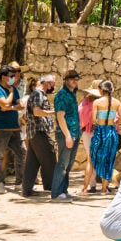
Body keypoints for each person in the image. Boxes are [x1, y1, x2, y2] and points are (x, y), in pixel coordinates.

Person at [0, 64, 25, 194]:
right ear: (3, 77)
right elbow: (5, 104)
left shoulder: (13, 88)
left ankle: (20, 182)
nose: (14, 79)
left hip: (14, 127)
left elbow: (21, 105)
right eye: (11, 76)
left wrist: (10, 107)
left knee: (21, 152)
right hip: (0, 128)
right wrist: (11, 94)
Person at [22, 74, 57, 197]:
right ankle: (52, 186)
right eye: (53, 84)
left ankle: (27, 190)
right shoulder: (38, 94)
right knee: (50, 156)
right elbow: (37, 112)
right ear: (47, 83)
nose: (54, 87)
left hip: (34, 132)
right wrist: (54, 112)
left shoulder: (38, 94)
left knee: (32, 162)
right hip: (38, 131)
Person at [51, 68, 81, 202]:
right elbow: (60, 117)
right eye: (72, 79)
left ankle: (63, 191)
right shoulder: (62, 95)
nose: (75, 81)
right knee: (62, 164)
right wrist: (68, 136)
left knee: (68, 165)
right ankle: (57, 194)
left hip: (74, 133)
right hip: (66, 134)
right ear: (66, 80)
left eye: (76, 79)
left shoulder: (72, 94)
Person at [90, 80, 121, 194]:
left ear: (101, 89)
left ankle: (101, 182)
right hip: (111, 131)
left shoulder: (97, 102)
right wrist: (113, 120)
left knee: (95, 155)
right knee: (109, 160)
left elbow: (93, 120)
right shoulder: (117, 102)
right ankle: (104, 189)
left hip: (100, 131)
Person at [79, 80, 102, 195]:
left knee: (91, 159)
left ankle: (92, 185)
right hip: (96, 132)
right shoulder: (99, 102)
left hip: (87, 133)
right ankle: (100, 185)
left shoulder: (84, 102)